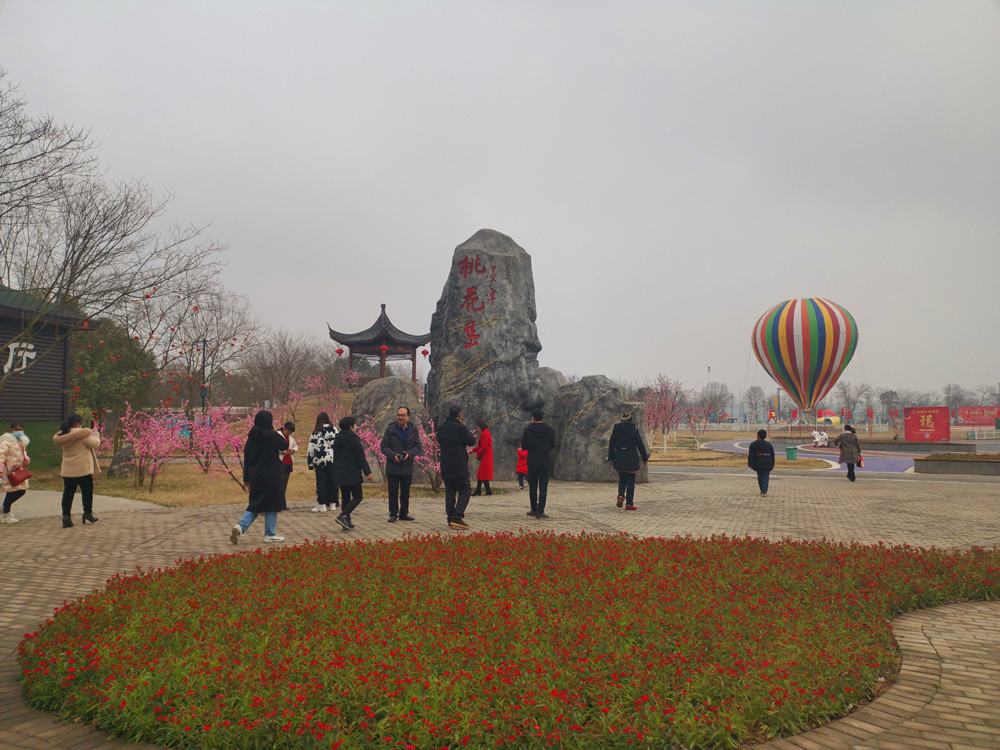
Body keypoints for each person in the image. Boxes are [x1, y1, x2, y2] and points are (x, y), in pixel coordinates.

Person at [231, 410, 288, 544]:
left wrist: (246, 478)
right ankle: (270, 534)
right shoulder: (272, 436)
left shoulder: (251, 438)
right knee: (272, 504)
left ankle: (240, 527)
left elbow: (247, 458)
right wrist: (275, 431)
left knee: (256, 504)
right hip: (271, 475)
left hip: (256, 476)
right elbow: (284, 445)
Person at [53, 414, 102, 528]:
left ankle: (66, 517)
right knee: (87, 492)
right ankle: (87, 513)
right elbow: (95, 443)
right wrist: (94, 432)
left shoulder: (63, 434)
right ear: (76, 423)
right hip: (83, 468)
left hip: (68, 469)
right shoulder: (83, 435)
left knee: (68, 493)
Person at [436, 405, 476, 530]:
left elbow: (439, 440)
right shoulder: (460, 427)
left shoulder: (441, 428)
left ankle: (450, 519)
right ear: (459, 415)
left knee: (450, 493)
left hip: (446, 464)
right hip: (459, 465)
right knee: (465, 490)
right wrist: (465, 427)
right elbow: (471, 441)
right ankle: (457, 516)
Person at [380, 405, 422, 522]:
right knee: (393, 492)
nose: (400, 417)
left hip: (407, 466)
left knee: (405, 492)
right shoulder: (390, 430)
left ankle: (404, 513)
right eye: (399, 415)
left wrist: (410, 453)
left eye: (403, 415)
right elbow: (383, 447)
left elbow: (418, 446)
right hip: (393, 466)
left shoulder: (413, 430)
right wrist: (393, 455)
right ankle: (393, 514)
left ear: (408, 417)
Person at [333, 416, 373, 531]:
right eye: (354, 425)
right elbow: (360, 456)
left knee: (345, 497)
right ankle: (344, 515)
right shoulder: (353, 438)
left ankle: (346, 522)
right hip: (352, 472)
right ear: (351, 427)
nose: (355, 427)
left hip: (339, 472)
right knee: (357, 496)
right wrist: (368, 472)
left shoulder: (337, 438)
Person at [607, 412, 649, 510]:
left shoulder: (616, 430)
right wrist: (644, 459)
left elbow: (611, 445)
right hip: (631, 460)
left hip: (619, 459)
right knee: (630, 483)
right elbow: (640, 446)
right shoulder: (634, 431)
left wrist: (611, 458)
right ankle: (629, 504)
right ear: (631, 421)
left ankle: (621, 495)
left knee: (622, 480)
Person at [520, 408, 556, 519]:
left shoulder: (528, 430)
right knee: (543, 487)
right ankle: (541, 511)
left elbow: (524, 446)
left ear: (533, 418)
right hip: (545, 461)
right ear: (542, 418)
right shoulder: (550, 430)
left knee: (533, 487)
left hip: (532, 461)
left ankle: (533, 509)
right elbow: (552, 446)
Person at [0, 421, 31, 524]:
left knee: (20, 490)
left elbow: (23, 453)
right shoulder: (6, 442)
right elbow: (1, 455)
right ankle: (6, 513)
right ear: (12, 430)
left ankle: (4, 509)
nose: (19, 432)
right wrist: (1, 469)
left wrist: (26, 459)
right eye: (16, 430)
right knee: (12, 492)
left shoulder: (21, 441)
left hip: (18, 470)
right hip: (8, 471)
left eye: (21, 430)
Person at [307, 413, 338, 512]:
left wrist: (310, 464)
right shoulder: (334, 430)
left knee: (321, 483)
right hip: (332, 460)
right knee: (333, 481)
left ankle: (322, 505)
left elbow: (311, 449)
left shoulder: (316, 432)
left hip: (319, 460)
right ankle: (333, 503)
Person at [746, 428, 776, 497]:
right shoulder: (769, 445)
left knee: (760, 476)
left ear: (758, 436)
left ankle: (762, 490)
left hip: (757, 463)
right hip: (768, 463)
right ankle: (764, 490)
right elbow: (772, 455)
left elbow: (751, 455)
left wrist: (750, 464)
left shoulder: (753, 444)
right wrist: (772, 464)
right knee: (766, 476)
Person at [471, 419, 494, 496]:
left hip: (486, 456)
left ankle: (482, 490)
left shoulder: (485, 434)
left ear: (480, 427)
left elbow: (484, 447)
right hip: (486, 456)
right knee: (481, 474)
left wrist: (477, 453)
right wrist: (473, 451)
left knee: (482, 474)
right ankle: (485, 490)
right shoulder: (485, 433)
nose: (477, 428)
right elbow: (481, 446)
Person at [278, 421, 297, 496]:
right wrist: (281, 451)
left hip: (288, 462)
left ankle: (282, 498)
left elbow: (296, 446)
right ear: (284, 428)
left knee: (284, 483)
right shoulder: (278, 435)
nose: (289, 433)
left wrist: (293, 450)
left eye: (291, 432)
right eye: (288, 431)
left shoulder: (291, 438)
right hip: (280, 461)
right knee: (279, 482)